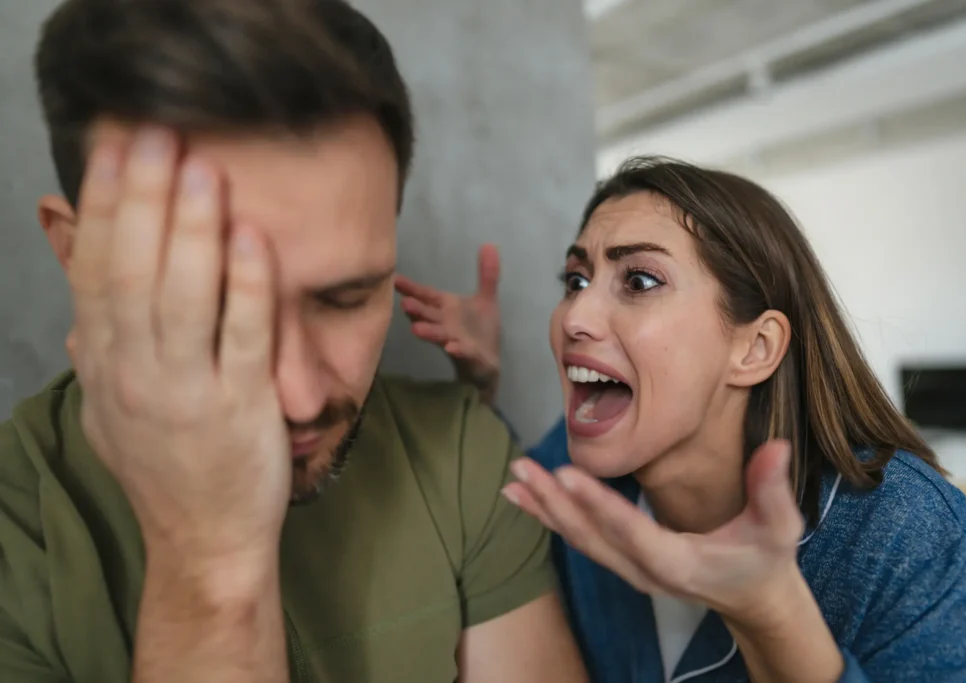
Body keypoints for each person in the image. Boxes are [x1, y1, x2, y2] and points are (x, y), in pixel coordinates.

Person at [0, 1, 590, 682]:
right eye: (217, 307)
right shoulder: (19, 534)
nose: (300, 394)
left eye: (345, 299)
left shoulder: (460, 454)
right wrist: (210, 569)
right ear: (80, 255)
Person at [396, 156, 966, 682]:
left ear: (755, 348)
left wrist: (768, 611)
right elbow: (503, 505)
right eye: (575, 279)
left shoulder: (907, 532)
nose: (575, 314)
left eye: (638, 279)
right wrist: (477, 388)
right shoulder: (574, 473)